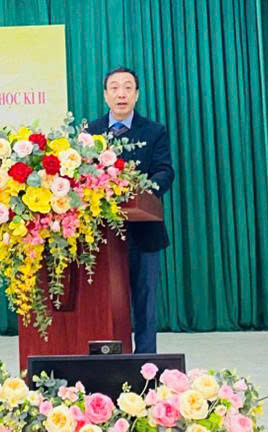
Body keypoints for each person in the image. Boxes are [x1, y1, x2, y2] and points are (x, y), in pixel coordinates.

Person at [86, 67, 175, 353]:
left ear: (136, 95)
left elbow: (165, 171)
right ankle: (107, 360)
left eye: (127, 87)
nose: (121, 93)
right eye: (114, 87)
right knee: (104, 300)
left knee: (145, 302)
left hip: (144, 230)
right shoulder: (90, 133)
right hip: (102, 234)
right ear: (105, 95)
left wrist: (143, 190)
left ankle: (146, 363)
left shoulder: (155, 131)